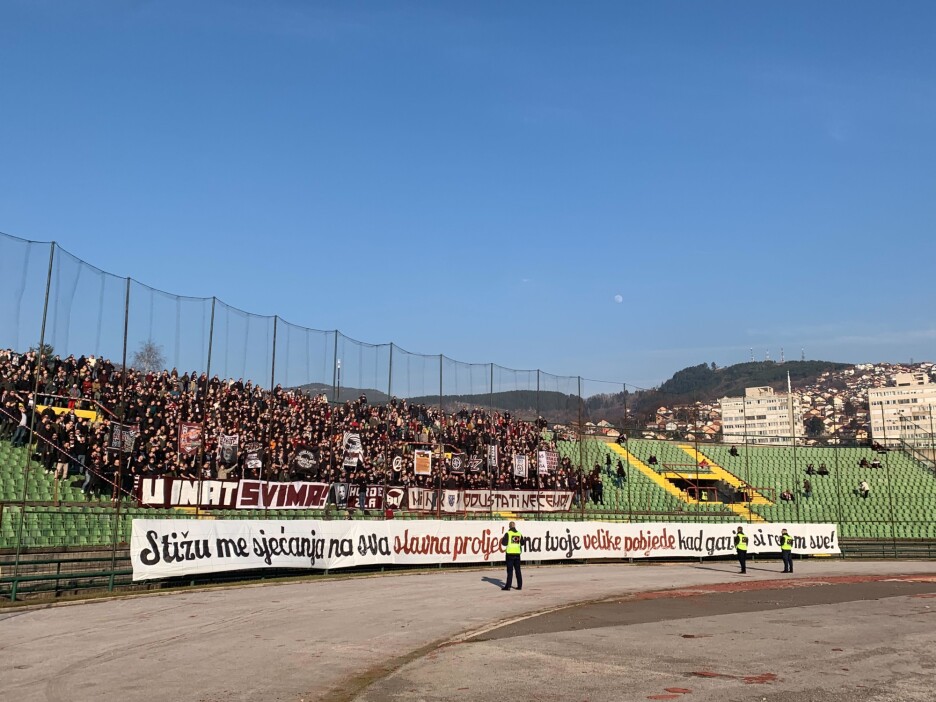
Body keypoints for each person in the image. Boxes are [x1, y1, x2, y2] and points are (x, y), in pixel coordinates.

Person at [501, 521, 523, 591]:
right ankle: (519, 586)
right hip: (517, 554)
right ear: (514, 526)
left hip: (510, 554)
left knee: (510, 571)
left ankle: (508, 586)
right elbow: (522, 543)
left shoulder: (508, 533)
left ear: (509, 526)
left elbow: (504, 543)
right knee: (518, 570)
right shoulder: (519, 534)